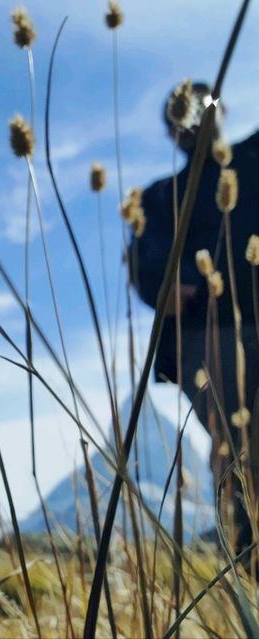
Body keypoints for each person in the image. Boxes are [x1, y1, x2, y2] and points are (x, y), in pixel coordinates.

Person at [129, 80, 259, 554]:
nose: (190, 122)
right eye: (177, 117)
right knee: (237, 453)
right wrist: (170, 282)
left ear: (221, 109)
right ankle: (246, 568)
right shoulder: (160, 199)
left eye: (199, 109)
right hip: (206, 341)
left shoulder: (254, 158)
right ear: (170, 134)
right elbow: (145, 264)